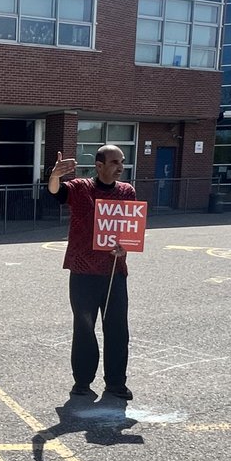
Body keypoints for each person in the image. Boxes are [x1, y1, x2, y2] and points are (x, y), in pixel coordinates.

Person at [47, 144, 135, 400]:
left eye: (122, 162)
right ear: (99, 166)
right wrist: (54, 176)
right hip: (83, 271)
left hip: (114, 272)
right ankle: (82, 382)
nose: (120, 167)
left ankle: (116, 382)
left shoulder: (127, 192)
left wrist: (124, 246)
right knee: (84, 328)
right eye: (115, 162)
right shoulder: (81, 188)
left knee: (118, 329)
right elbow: (57, 193)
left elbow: (130, 228)